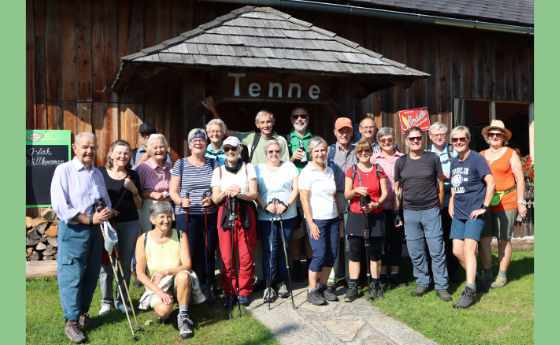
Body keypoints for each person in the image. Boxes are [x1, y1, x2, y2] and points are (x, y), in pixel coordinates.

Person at [50, 132, 113, 343]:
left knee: (92, 273)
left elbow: (104, 199)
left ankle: (83, 314)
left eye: (93, 147)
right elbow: (60, 206)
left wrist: (107, 211)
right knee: (72, 275)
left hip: (96, 230)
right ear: (75, 148)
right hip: (74, 229)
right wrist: (88, 219)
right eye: (85, 147)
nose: (89, 151)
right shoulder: (64, 170)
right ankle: (71, 321)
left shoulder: (96, 173)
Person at [394, 127, 451, 302]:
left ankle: (442, 286)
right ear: (406, 141)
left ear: (423, 139)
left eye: (418, 138)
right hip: (409, 212)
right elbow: (398, 188)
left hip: (431, 210)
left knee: (437, 250)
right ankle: (422, 282)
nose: (416, 141)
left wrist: (439, 204)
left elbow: (440, 182)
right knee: (415, 250)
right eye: (412, 139)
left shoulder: (432, 158)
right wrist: (398, 211)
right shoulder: (401, 162)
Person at [448, 126, 495, 308]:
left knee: (469, 249)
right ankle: (477, 280)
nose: (458, 142)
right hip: (458, 213)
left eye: (462, 139)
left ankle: (469, 290)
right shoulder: (454, 162)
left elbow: (490, 182)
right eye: (455, 140)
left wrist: (484, 206)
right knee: (457, 251)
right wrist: (452, 201)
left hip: (474, 212)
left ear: (468, 140)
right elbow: (454, 186)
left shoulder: (477, 159)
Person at [170, 128, 218, 302]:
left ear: (206, 143)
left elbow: (217, 188)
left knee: (208, 250)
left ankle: (209, 285)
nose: (198, 142)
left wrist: (212, 199)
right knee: (189, 252)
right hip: (187, 214)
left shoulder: (214, 163)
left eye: (201, 140)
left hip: (208, 213)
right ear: (189, 144)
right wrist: (181, 201)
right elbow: (173, 191)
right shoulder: (180, 164)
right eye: (194, 140)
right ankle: (189, 288)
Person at [135, 201, 195, 339]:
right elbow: (140, 273)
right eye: (161, 216)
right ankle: (174, 301)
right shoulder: (143, 239)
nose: (166, 220)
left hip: (176, 279)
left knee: (183, 276)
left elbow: (187, 264)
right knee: (163, 312)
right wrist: (160, 292)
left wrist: (166, 272)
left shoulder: (180, 235)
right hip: (157, 285)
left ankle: (184, 317)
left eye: (169, 216)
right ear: (152, 219)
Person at [211, 136, 259, 307]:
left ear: (239, 150)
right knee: (226, 256)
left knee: (246, 255)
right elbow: (215, 198)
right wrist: (226, 192)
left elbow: (254, 193)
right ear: (223, 151)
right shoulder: (218, 171)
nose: (230, 152)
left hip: (245, 210)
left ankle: (244, 290)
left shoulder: (248, 168)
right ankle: (230, 290)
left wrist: (239, 193)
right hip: (225, 212)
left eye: (233, 148)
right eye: (227, 149)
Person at [479, 120, 526, 289]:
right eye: (492, 134)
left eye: (498, 134)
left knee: (503, 239)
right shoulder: (481, 154)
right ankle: (487, 271)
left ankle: (502, 274)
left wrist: (521, 202)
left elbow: (520, 178)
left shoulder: (510, 153)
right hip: (486, 202)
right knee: (483, 239)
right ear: (487, 137)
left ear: (504, 137)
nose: (495, 137)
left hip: (507, 200)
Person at [98, 140, 142, 316]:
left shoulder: (133, 175)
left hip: (129, 223)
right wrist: (106, 211)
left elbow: (139, 204)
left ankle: (121, 299)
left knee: (124, 263)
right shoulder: (100, 173)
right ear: (111, 154)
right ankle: (106, 301)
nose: (122, 156)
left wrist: (134, 190)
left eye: (126, 153)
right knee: (106, 263)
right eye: (119, 152)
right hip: (107, 223)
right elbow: (94, 198)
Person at [343, 138, 388, 302]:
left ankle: (375, 284)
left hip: (375, 215)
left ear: (371, 152)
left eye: (367, 151)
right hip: (356, 215)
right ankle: (353, 286)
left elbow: (385, 193)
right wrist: (356, 191)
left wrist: (376, 204)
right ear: (357, 153)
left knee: (375, 252)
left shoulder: (378, 169)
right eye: (361, 151)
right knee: (354, 252)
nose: (364, 154)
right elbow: (346, 194)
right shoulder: (352, 170)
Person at [299, 136, 341, 306]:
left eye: (323, 150)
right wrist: (311, 223)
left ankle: (323, 287)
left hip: (332, 218)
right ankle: (312, 290)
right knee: (319, 254)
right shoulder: (307, 172)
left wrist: (340, 220)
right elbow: (304, 199)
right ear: (311, 153)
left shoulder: (330, 170)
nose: (320, 153)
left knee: (332, 255)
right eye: (316, 150)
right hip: (317, 220)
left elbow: (334, 196)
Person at [255, 140, 299, 302]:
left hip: (287, 215)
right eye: (270, 152)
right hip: (266, 216)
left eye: (276, 151)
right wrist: (265, 205)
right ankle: (268, 284)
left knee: (284, 248)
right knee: (269, 250)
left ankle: (282, 282)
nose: (274, 154)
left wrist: (286, 205)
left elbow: (296, 188)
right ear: (265, 154)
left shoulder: (289, 167)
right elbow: (255, 191)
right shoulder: (258, 169)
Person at [326, 117, 356, 292]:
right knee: (336, 237)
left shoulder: (358, 150)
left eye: (347, 131)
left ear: (352, 132)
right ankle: (335, 277)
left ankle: (350, 277)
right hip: (334, 197)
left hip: (353, 198)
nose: (344, 134)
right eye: (341, 131)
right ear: (335, 132)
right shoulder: (328, 151)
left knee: (350, 237)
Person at [427, 122, 459, 280]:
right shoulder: (426, 153)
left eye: (442, 134)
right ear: (430, 137)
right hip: (433, 197)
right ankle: (435, 273)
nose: (439, 137)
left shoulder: (455, 151)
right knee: (434, 235)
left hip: (454, 197)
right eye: (436, 134)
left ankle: (453, 271)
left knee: (451, 235)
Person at [374, 127, 405, 288]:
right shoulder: (374, 159)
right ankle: (383, 272)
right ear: (378, 142)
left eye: (389, 140)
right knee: (381, 240)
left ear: (394, 140)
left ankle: (394, 272)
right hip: (380, 205)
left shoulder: (403, 158)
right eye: (383, 140)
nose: (387, 143)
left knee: (396, 240)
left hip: (398, 206)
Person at [137, 134, 172, 233]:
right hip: (149, 207)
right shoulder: (143, 168)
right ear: (149, 150)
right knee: (150, 237)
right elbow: (138, 192)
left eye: (161, 147)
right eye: (155, 147)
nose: (159, 150)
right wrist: (152, 194)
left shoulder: (170, 167)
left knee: (166, 237)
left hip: (167, 206)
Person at [287, 107, 313, 172]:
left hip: (311, 178)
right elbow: (278, 166)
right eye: (295, 117)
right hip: (293, 179)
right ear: (291, 120)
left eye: (303, 116)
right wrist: (292, 158)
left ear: (308, 118)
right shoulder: (285, 139)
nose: (299, 119)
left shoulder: (315, 139)